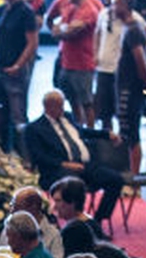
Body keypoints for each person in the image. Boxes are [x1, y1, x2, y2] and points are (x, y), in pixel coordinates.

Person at [24, 90, 122, 234]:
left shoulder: (67, 117)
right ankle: (73, 225)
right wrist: (63, 164)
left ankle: (97, 221)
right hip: (58, 170)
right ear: (48, 107)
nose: (63, 110)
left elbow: (82, 132)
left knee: (115, 179)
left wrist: (106, 134)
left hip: (84, 165)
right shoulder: (34, 128)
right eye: (59, 107)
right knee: (74, 186)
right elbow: (39, 157)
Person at [0, 0, 39, 150]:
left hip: (14, 71)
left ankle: (25, 158)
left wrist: (19, 65)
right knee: (0, 117)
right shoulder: (1, 10)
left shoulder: (25, 11)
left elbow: (32, 43)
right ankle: (3, 155)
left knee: (18, 119)